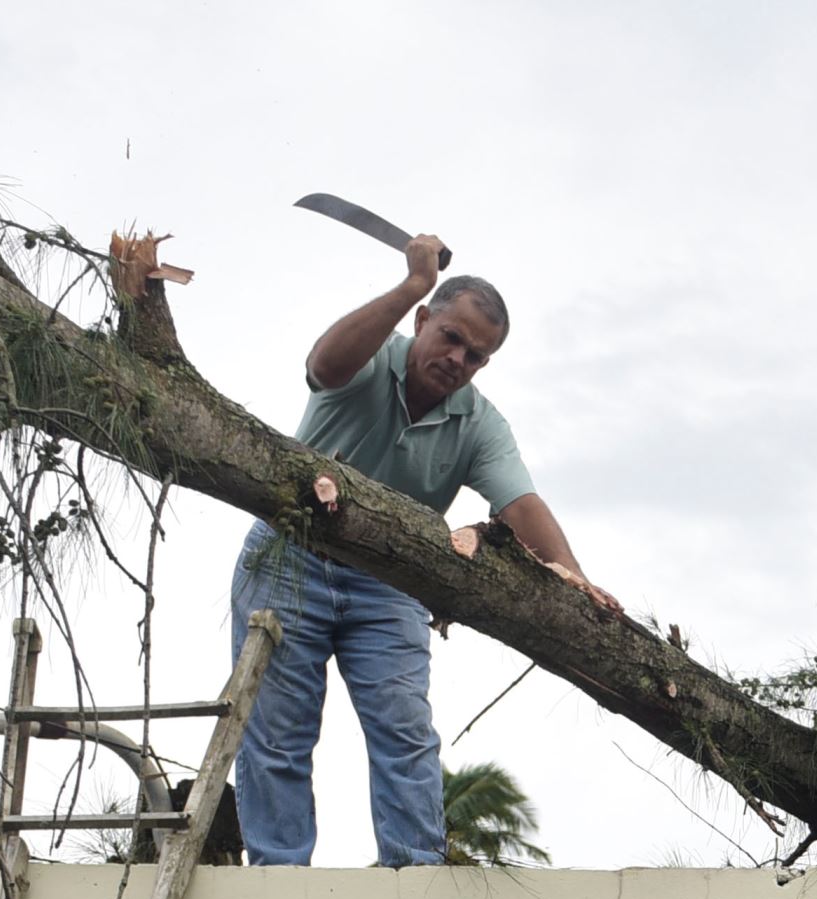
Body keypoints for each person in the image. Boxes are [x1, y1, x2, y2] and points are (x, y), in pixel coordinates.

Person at [230, 232, 619, 866]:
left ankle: (414, 877)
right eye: (452, 337)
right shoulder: (368, 357)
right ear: (423, 322)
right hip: (289, 558)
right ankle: (279, 875)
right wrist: (413, 281)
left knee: (404, 729)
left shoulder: (480, 424)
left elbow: (521, 506)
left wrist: (577, 582)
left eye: (477, 354)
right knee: (278, 731)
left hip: (388, 581)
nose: (459, 358)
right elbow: (322, 365)